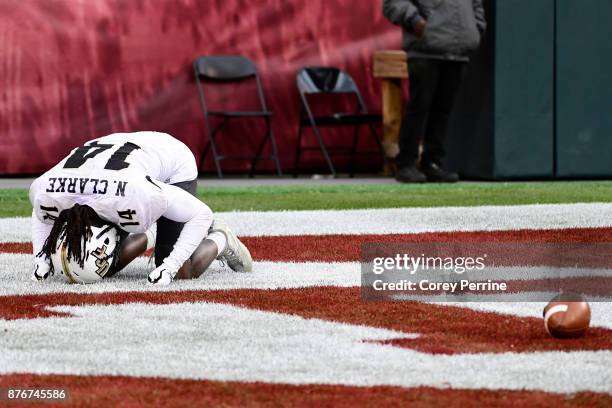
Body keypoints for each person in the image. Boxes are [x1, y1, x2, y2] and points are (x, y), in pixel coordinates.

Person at [29, 131, 252, 285]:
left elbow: (201, 214)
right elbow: (41, 211)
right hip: (121, 160)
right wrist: (41, 258)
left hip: (171, 159)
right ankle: (153, 232)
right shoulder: (49, 190)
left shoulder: (137, 196)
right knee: (104, 268)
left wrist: (170, 266)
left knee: (184, 272)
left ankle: (221, 236)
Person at [383, 0, 486, 182]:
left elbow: (476, 4)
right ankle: (406, 163)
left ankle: (432, 162)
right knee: (419, 108)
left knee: (442, 111)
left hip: (457, 51)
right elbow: (393, 3)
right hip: (425, 49)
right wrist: (416, 22)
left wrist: (476, 28)